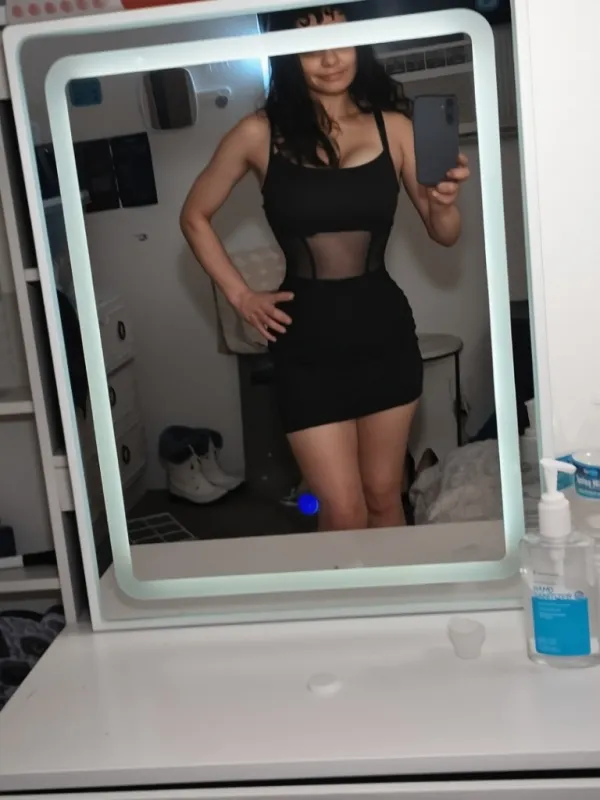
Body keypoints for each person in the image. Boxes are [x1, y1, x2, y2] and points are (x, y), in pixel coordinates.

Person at [180, 5, 470, 532]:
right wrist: (241, 296)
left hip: (384, 336)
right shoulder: (256, 133)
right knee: (341, 508)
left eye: (341, 39)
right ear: (286, 56)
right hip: (305, 347)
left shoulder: (396, 127)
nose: (331, 58)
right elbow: (194, 216)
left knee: (384, 496)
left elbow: (444, 233)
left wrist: (444, 202)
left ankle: (397, 591)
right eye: (310, 47)